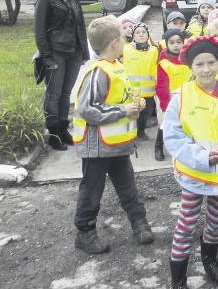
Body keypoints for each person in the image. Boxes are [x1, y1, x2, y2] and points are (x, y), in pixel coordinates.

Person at [163, 36, 218, 288]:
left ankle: (209, 259)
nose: (206, 69)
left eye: (211, 62)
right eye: (199, 64)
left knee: (216, 219)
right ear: (190, 67)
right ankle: (178, 276)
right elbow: (173, 135)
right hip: (193, 173)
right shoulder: (181, 97)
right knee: (186, 223)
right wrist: (202, 157)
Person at [70, 15, 153, 254]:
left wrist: (135, 105)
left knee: (128, 186)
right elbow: (87, 109)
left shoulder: (116, 65)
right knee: (91, 190)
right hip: (97, 148)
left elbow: (120, 97)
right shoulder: (97, 72)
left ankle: (139, 222)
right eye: (124, 37)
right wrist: (123, 110)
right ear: (115, 42)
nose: (127, 40)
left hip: (118, 145)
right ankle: (84, 233)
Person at [34, 0, 90, 151]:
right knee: (54, 94)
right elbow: (40, 32)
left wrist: (84, 52)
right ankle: (54, 133)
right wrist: (47, 58)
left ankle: (64, 130)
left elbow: (80, 26)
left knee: (66, 93)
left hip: (73, 52)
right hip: (56, 53)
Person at [155, 29, 191, 161]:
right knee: (166, 124)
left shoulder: (189, 61)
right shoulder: (164, 64)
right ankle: (158, 146)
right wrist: (165, 105)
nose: (176, 45)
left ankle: (182, 148)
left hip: (188, 99)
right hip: (170, 100)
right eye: (171, 43)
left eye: (179, 42)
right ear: (167, 44)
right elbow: (160, 87)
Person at [122, 22, 158, 141]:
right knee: (133, 115)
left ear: (148, 35)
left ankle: (141, 131)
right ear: (133, 35)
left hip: (149, 91)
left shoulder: (154, 50)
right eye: (137, 32)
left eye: (144, 32)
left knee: (146, 114)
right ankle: (131, 134)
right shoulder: (125, 50)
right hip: (133, 91)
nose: (141, 34)